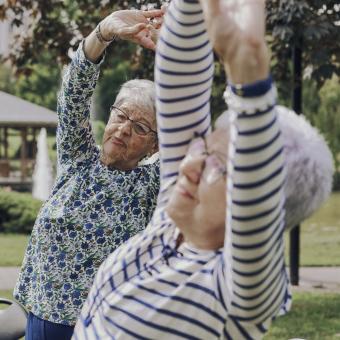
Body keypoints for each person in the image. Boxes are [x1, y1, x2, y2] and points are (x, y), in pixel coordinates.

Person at [73, 0, 333, 339]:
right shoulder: (174, 218)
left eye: (220, 167)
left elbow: (257, 185)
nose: (191, 163)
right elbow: (180, 80)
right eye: (206, 147)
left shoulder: (239, 289)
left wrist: (248, 75)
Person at [14, 8, 165, 340]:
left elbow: (190, 133)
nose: (123, 130)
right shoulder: (78, 158)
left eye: (140, 127)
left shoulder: (151, 185)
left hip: (104, 326)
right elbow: (73, 96)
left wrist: (181, 52)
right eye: (121, 115)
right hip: (42, 315)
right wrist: (103, 33)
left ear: (154, 147)